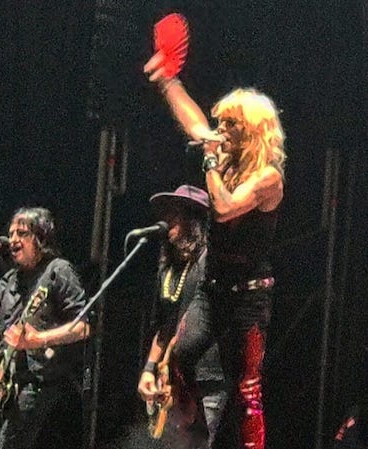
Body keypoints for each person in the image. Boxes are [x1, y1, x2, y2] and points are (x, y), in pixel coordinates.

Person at [144, 52, 286, 449]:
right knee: (181, 355)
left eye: (229, 124)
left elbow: (223, 208)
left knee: (247, 389)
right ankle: (195, 438)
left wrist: (210, 159)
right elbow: (195, 124)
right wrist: (169, 82)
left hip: (248, 298)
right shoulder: (223, 157)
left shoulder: (268, 177)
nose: (220, 130)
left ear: (252, 131)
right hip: (212, 289)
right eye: (220, 122)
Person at [0, 207, 91, 449]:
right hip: (7, 386)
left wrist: (38, 339)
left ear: (41, 238)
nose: (13, 240)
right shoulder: (8, 281)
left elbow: (82, 327)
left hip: (41, 382)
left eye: (22, 233)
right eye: (11, 234)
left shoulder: (58, 271)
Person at [137, 184, 228, 449]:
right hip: (172, 382)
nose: (166, 220)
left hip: (206, 379)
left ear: (193, 220)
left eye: (174, 214)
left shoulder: (210, 264)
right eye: (165, 214)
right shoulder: (167, 270)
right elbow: (163, 326)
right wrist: (149, 370)